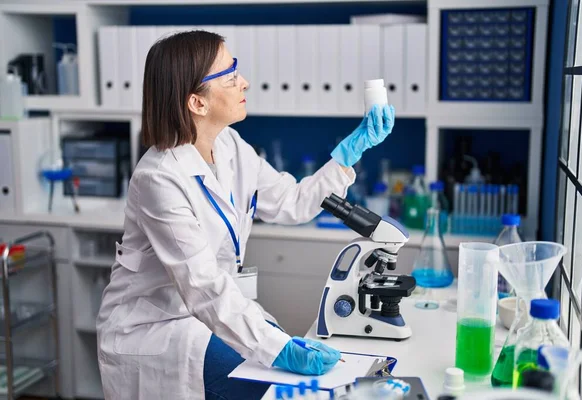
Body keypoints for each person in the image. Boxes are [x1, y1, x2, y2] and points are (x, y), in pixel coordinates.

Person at [96, 30, 395, 400]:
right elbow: (202, 285)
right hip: (159, 327)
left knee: (282, 377)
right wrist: (277, 347)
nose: (245, 82)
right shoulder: (159, 178)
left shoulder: (231, 146)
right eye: (230, 75)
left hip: (211, 313)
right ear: (197, 103)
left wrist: (348, 155)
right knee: (270, 384)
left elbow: (293, 201)